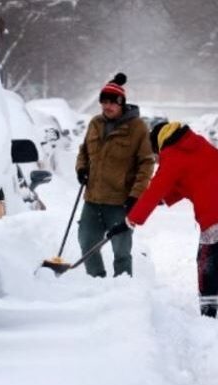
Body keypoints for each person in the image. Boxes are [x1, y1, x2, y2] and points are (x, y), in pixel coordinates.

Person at [106, 121, 218, 318]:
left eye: (155, 154)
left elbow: (156, 189)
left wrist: (129, 220)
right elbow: (191, 179)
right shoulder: (196, 142)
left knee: (208, 263)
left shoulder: (172, 156)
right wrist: (160, 200)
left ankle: (208, 312)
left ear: (159, 145)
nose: (157, 159)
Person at [75, 73, 155, 277]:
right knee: (86, 242)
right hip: (93, 199)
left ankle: (123, 291)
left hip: (120, 202)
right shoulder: (95, 123)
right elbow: (84, 151)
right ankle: (97, 282)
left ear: (121, 104)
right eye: (103, 102)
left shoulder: (137, 128)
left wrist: (135, 196)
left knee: (121, 251)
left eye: (112, 103)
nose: (107, 107)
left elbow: (146, 163)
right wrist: (81, 169)